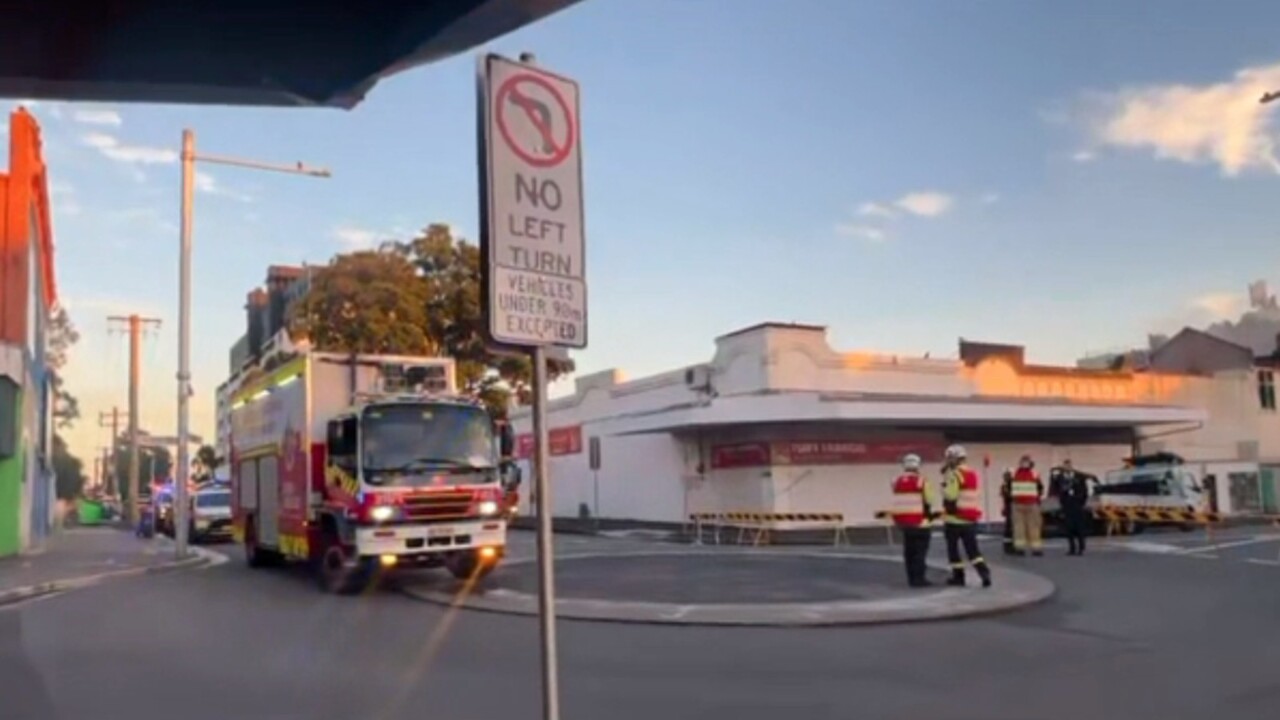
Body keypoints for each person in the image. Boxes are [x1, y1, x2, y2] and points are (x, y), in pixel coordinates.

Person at [940, 444, 992, 588]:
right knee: (973, 550)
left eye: (949, 458)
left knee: (954, 550)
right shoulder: (972, 473)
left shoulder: (954, 474)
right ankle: (984, 573)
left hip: (954, 518)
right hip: (969, 519)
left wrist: (943, 484)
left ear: (953, 458)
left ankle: (959, 577)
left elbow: (951, 495)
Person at [890, 453, 936, 588]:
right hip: (920, 522)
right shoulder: (922, 481)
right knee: (920, 552)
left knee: (909, 551)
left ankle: (911, 577)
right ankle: (919, 578)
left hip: (903, 523)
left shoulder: (896, 481)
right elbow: (929, 500)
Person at [1009, 454, 1045, 556]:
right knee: (1018, 528)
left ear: (1030, 463)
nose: (1024, 464)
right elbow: (1007, 486)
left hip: (1031, 504)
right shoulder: (1014, 473)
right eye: (1023, 462)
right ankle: (1020, 548)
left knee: (1034, 527)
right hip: (1018, 504)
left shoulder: (1033, 473)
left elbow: (1040, 488)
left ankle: (1036, 548)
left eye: (1026, 462)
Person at [1058, 459, 1091, 556]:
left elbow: (1085, 491)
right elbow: (1059, 491)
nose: (1067, 468)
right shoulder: (1061, 478)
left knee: (1079, 527)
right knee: (1069, 528)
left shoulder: (1079, 477)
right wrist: (1063, 503)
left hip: (1077, 504)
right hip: (1067, 505)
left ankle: (1081, 547)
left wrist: (1081, 502)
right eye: (1065, 466)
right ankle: (1072, 548)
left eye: (1068, 466)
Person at [1000, 468, 1016, 554]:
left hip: (1012, 507)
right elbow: (1008, 496)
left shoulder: (1010, 484)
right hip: (1010, 507)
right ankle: (1009, 547)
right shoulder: (1006, 485)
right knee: (1009, 528)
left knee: (1011, 528)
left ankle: (1010, 546)